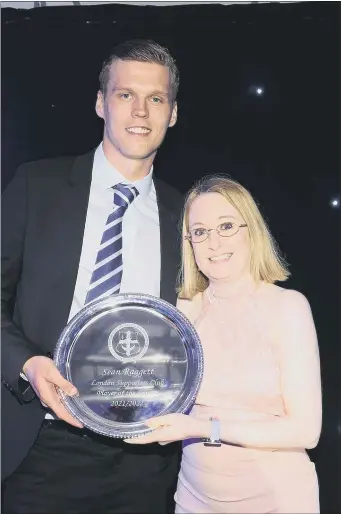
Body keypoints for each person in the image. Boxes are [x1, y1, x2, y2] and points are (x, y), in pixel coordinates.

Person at [1, 39, 183, 513]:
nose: (141, 110)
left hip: (146, 459)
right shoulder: (36, 185)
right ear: (101, 103)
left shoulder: (186, 216)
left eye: (156, 98)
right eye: (125, 95)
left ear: (173, 112)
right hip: (40, 443)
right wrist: (28, 365)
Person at [126, 175, 322, 513]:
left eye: (227, 226)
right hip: (193, 500)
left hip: (277, 501)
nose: (214, 243)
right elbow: (153, 391)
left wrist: (201, 428)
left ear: (252, 231)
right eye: (200, 232)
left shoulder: (288, 307)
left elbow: (306, 431)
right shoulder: (182, 310)